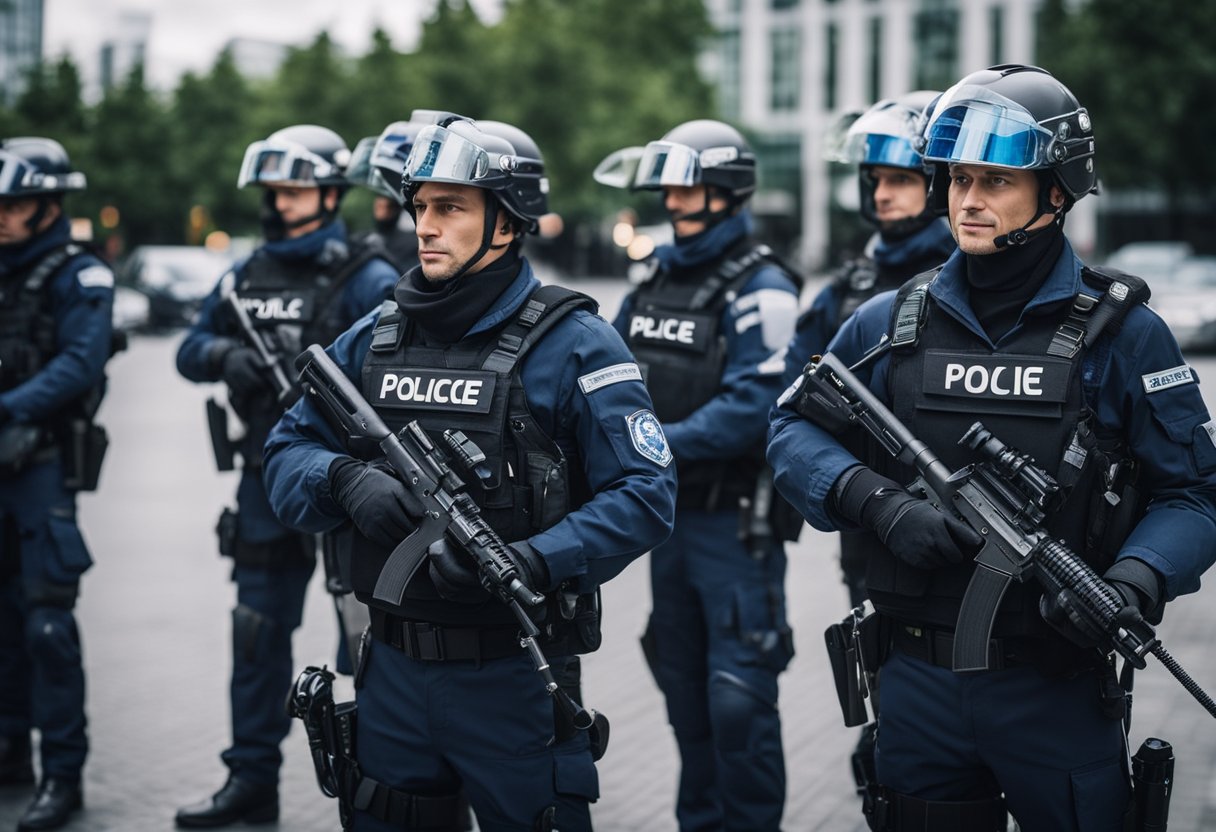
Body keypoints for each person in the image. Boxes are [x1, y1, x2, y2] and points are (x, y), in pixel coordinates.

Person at [769, 64, 1216, 831]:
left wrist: (1138, 581)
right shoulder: (888, 322)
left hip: (1054, 684)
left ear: (1056, 191)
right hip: (914, 682)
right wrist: (873, 502)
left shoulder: (1124, 334)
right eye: (958, 178)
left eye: (998, 181)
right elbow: (790, 428)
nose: (969, 201)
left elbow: (1194, 494)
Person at [263, 116, 677, 831]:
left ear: (508, 223)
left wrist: (534, 560)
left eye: (451, 207)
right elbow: (284, 452)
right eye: (420, 206)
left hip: (514, 669)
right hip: (390, 670)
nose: (425, 225)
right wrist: (342, 481)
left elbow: (646, 494)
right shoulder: (375, 334)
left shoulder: (574, 342)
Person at [174, 124, 400, 829]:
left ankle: (378, 789)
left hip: (348, 487)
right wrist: (222, 356)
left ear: (331, 193)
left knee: (365, 646)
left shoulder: (369, 276)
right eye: (273, 190)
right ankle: (250, 780)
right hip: (265, 482)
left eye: (294, 190)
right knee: (255, 631)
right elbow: (187, 346)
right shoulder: (245, 273)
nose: (280, 203)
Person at [597, 119, 800, 832]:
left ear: (727, 191)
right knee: (685, 696)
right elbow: (609, 371)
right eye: (669, 188)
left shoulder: (764, 286)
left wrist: (650, 446)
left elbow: (755, 404)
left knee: (738, 703)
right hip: (671, 525)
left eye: (689, 187)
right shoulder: (652, 280)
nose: (675, 202)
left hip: (735, 527)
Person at [786, 91, 956, 609]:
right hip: (868, 522)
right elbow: (792, 399)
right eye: (875, 180)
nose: (882, 194)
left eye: (900, 179)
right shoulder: (849, 286)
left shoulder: (971, 281)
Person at [0, 137, 113, 831]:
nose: (2, 216)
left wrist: (8, 409)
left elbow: (81, 363)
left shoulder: (80, 275)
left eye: (13, 204)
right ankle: (10, 747)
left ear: (48, 204)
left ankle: (62, 775)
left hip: (40, 471)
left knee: (45, 626)